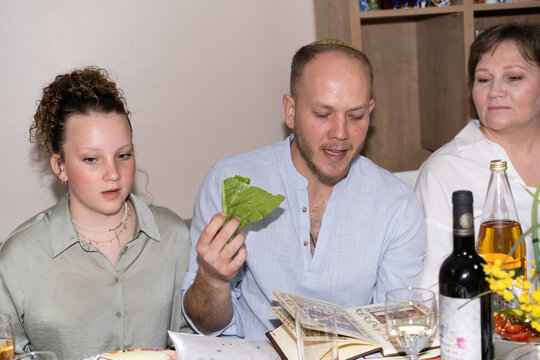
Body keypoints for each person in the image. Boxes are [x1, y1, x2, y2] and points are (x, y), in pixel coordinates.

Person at [181, 40, 426, 340]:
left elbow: (396, 331)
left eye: (356, 115)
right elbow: (205, 324)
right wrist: (212, 278)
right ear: (290, 110)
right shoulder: (229, 182)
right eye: (323, 114)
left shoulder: (397, 204)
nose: (341, 133)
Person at [0, 67, 191, 359]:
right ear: (59, 166)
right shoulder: (18, 257)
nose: (113, 174)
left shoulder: (175, 236)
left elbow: (195, 338)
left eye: (123, 155)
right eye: (91, 159)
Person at [415, 22, 540, 290]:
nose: (495, 91)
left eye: (514, 78)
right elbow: (433, 288)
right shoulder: (445, 171)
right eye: (484, 79)